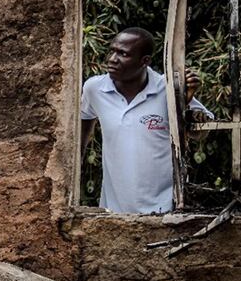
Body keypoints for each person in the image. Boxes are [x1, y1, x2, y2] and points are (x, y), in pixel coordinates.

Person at [81, 27, 211, 214]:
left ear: (145, 61)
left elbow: (200, 133)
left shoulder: (167, 89)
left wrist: (185, 103)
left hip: (165, 211)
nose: (112, 59)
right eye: (112, 51)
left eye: (123, 54)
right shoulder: (94, 88)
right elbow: (81, 132)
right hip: (114, 212)